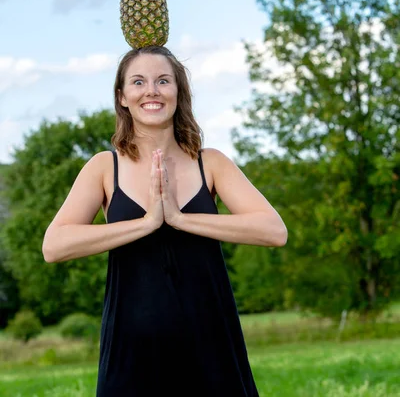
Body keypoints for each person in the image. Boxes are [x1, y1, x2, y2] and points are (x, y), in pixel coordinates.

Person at [42, 44, 288, 397]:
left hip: (211, 343)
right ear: (122, 96)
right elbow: (54, 246)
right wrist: (145, 223)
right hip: (131, 350)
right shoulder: (103, 167)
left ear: (178, 92)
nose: (152, 91)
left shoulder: (212, 163)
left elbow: (273, 230)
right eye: (138, 82)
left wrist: (178, 218)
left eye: (163, 81)